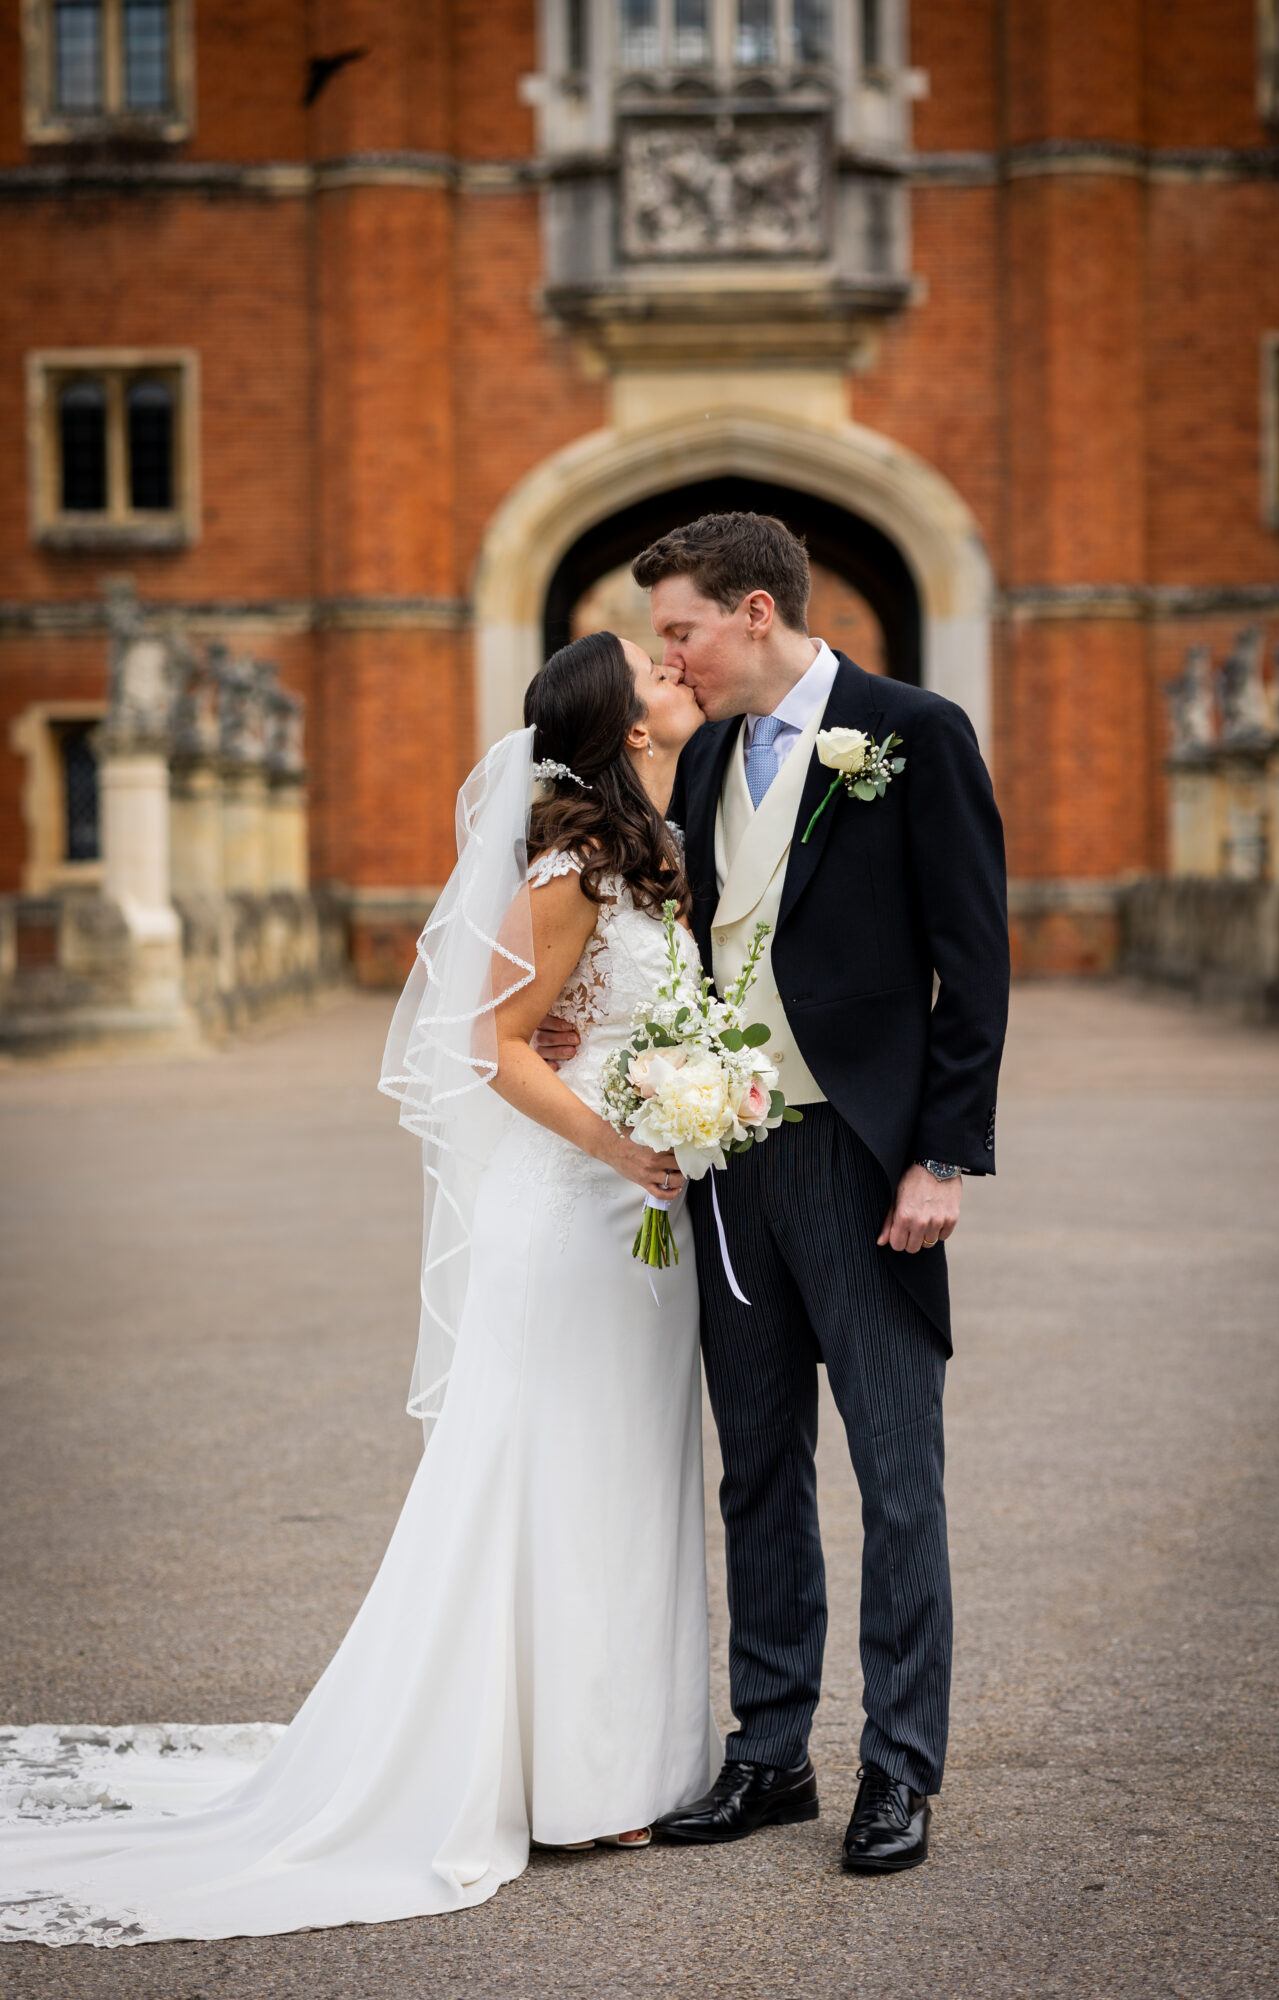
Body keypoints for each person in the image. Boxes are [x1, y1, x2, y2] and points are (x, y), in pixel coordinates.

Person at [0, 631, 719, 1947]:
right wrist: (624, 1140)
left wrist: (692, 1100)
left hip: (641, 1219)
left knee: (628, 1468)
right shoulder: (567, 868)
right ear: (621, 723)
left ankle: (623, 1757)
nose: (674, 677)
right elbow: (490, 1046)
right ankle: (550, 1777)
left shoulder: (658, 852)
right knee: (546, 1470)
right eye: (650, 671)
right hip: (570, 1212)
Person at [536, 513, 1009, 1874]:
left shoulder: (910, 730)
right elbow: (660, 931)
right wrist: (573, 1025)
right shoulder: (700, 762)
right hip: (721, 1158)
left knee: (894, 1470)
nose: (667, 660)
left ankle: (899, 1770)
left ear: (754, 611)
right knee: (754, 1464)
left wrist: (943, 1155)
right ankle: (770, 1753)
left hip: (861, 1158)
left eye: (679, 629)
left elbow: (971, 964)